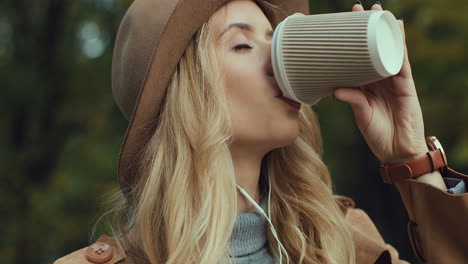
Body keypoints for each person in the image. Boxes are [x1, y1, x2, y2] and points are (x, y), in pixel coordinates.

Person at [54, 0, 468, 263]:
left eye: (277, 40)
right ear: (186, 95)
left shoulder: (345, 243)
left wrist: (411, 155)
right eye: (242, 45)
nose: (281, 61)